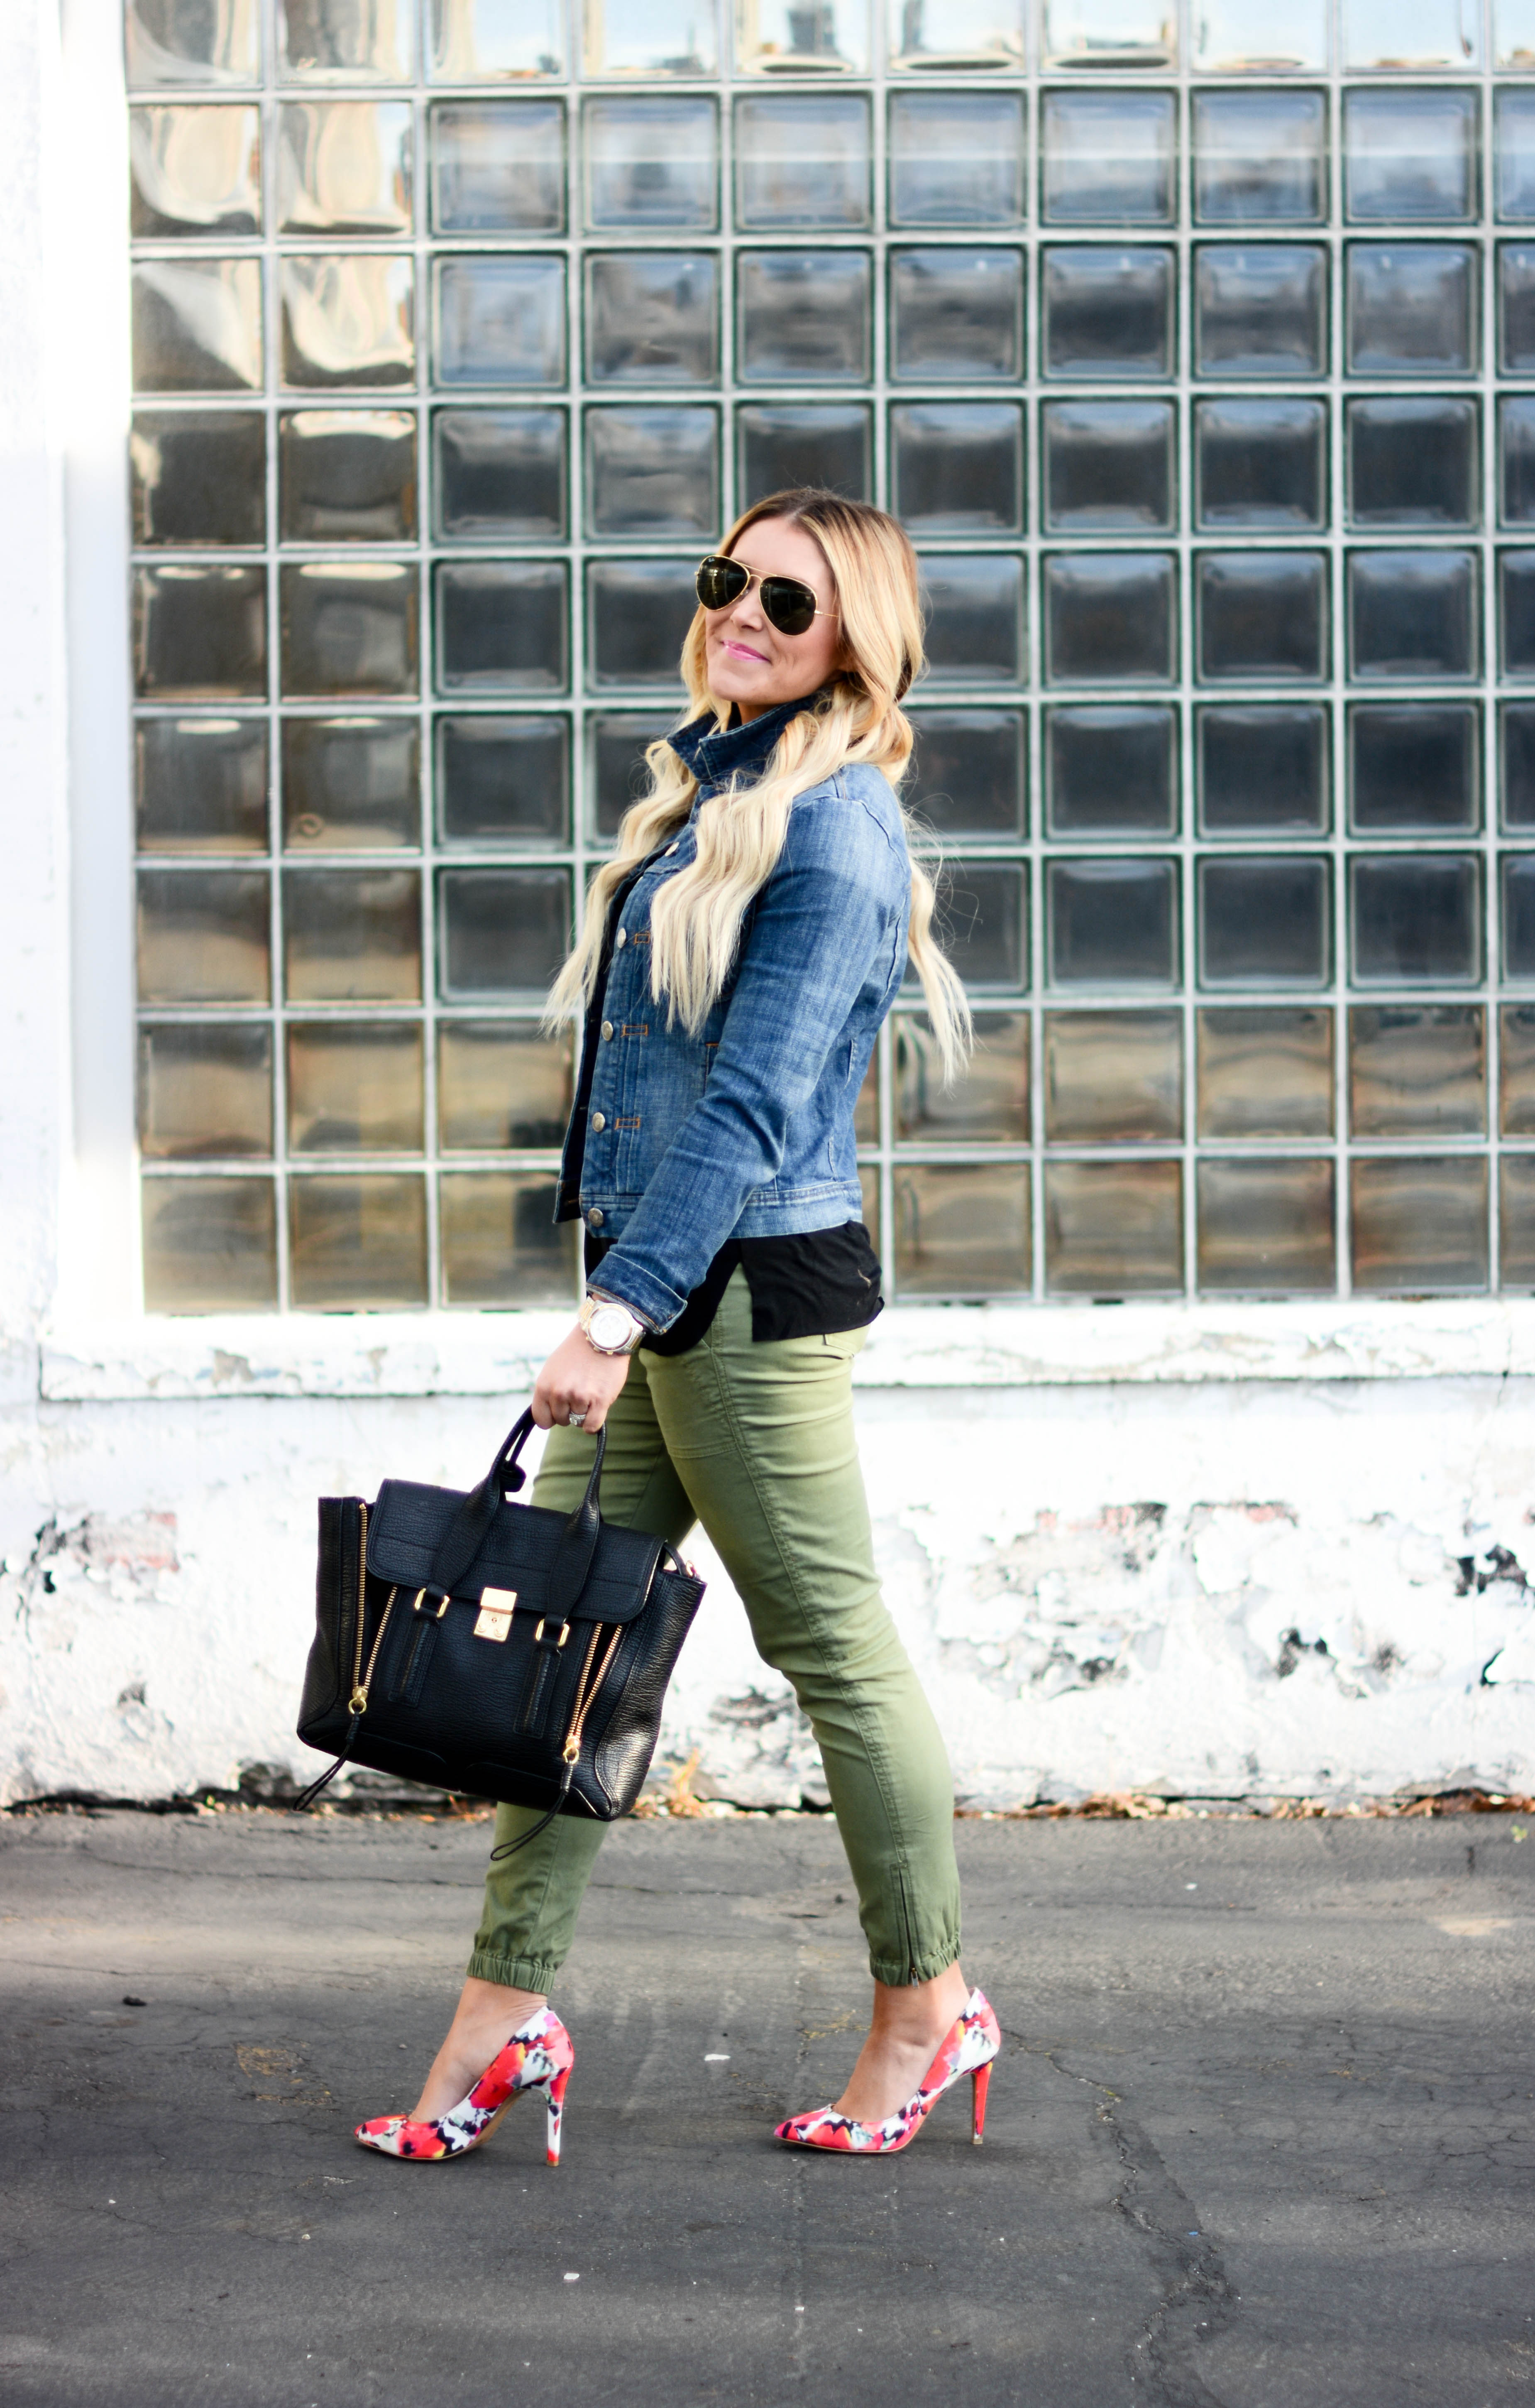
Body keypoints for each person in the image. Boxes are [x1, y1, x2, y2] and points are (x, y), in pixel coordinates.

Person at [354, 492, 1000, 2167]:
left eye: (789, 599)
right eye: (729, 581)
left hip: (743, 1296)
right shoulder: (718, 794)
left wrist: (612, 1313)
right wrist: (627, 1292)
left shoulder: (834, 832)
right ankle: (499, 2019)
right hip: (667, 1280)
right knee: (567, 1647)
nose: (743, 615)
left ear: (853, 636)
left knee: (831, 1650)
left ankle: (927, 2005)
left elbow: (752, 1107)